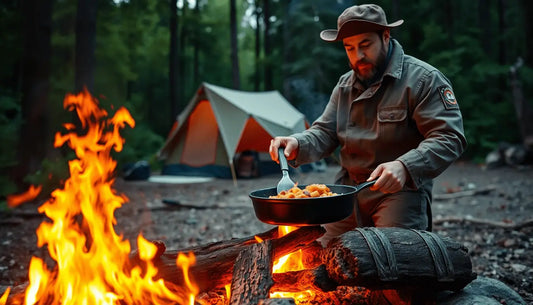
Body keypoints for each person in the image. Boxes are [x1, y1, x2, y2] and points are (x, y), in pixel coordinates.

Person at [269, 4, 467, 246]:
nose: (357, 57)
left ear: (385, 37)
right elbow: (324, 132)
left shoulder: (423, 79)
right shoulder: (344, 86)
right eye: (349, 48)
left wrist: (405, 166)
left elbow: (449, 137)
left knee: (395, 260)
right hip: (346, 193)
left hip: (400, 192)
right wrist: (297, 142)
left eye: (365, 45)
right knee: (318, 259)